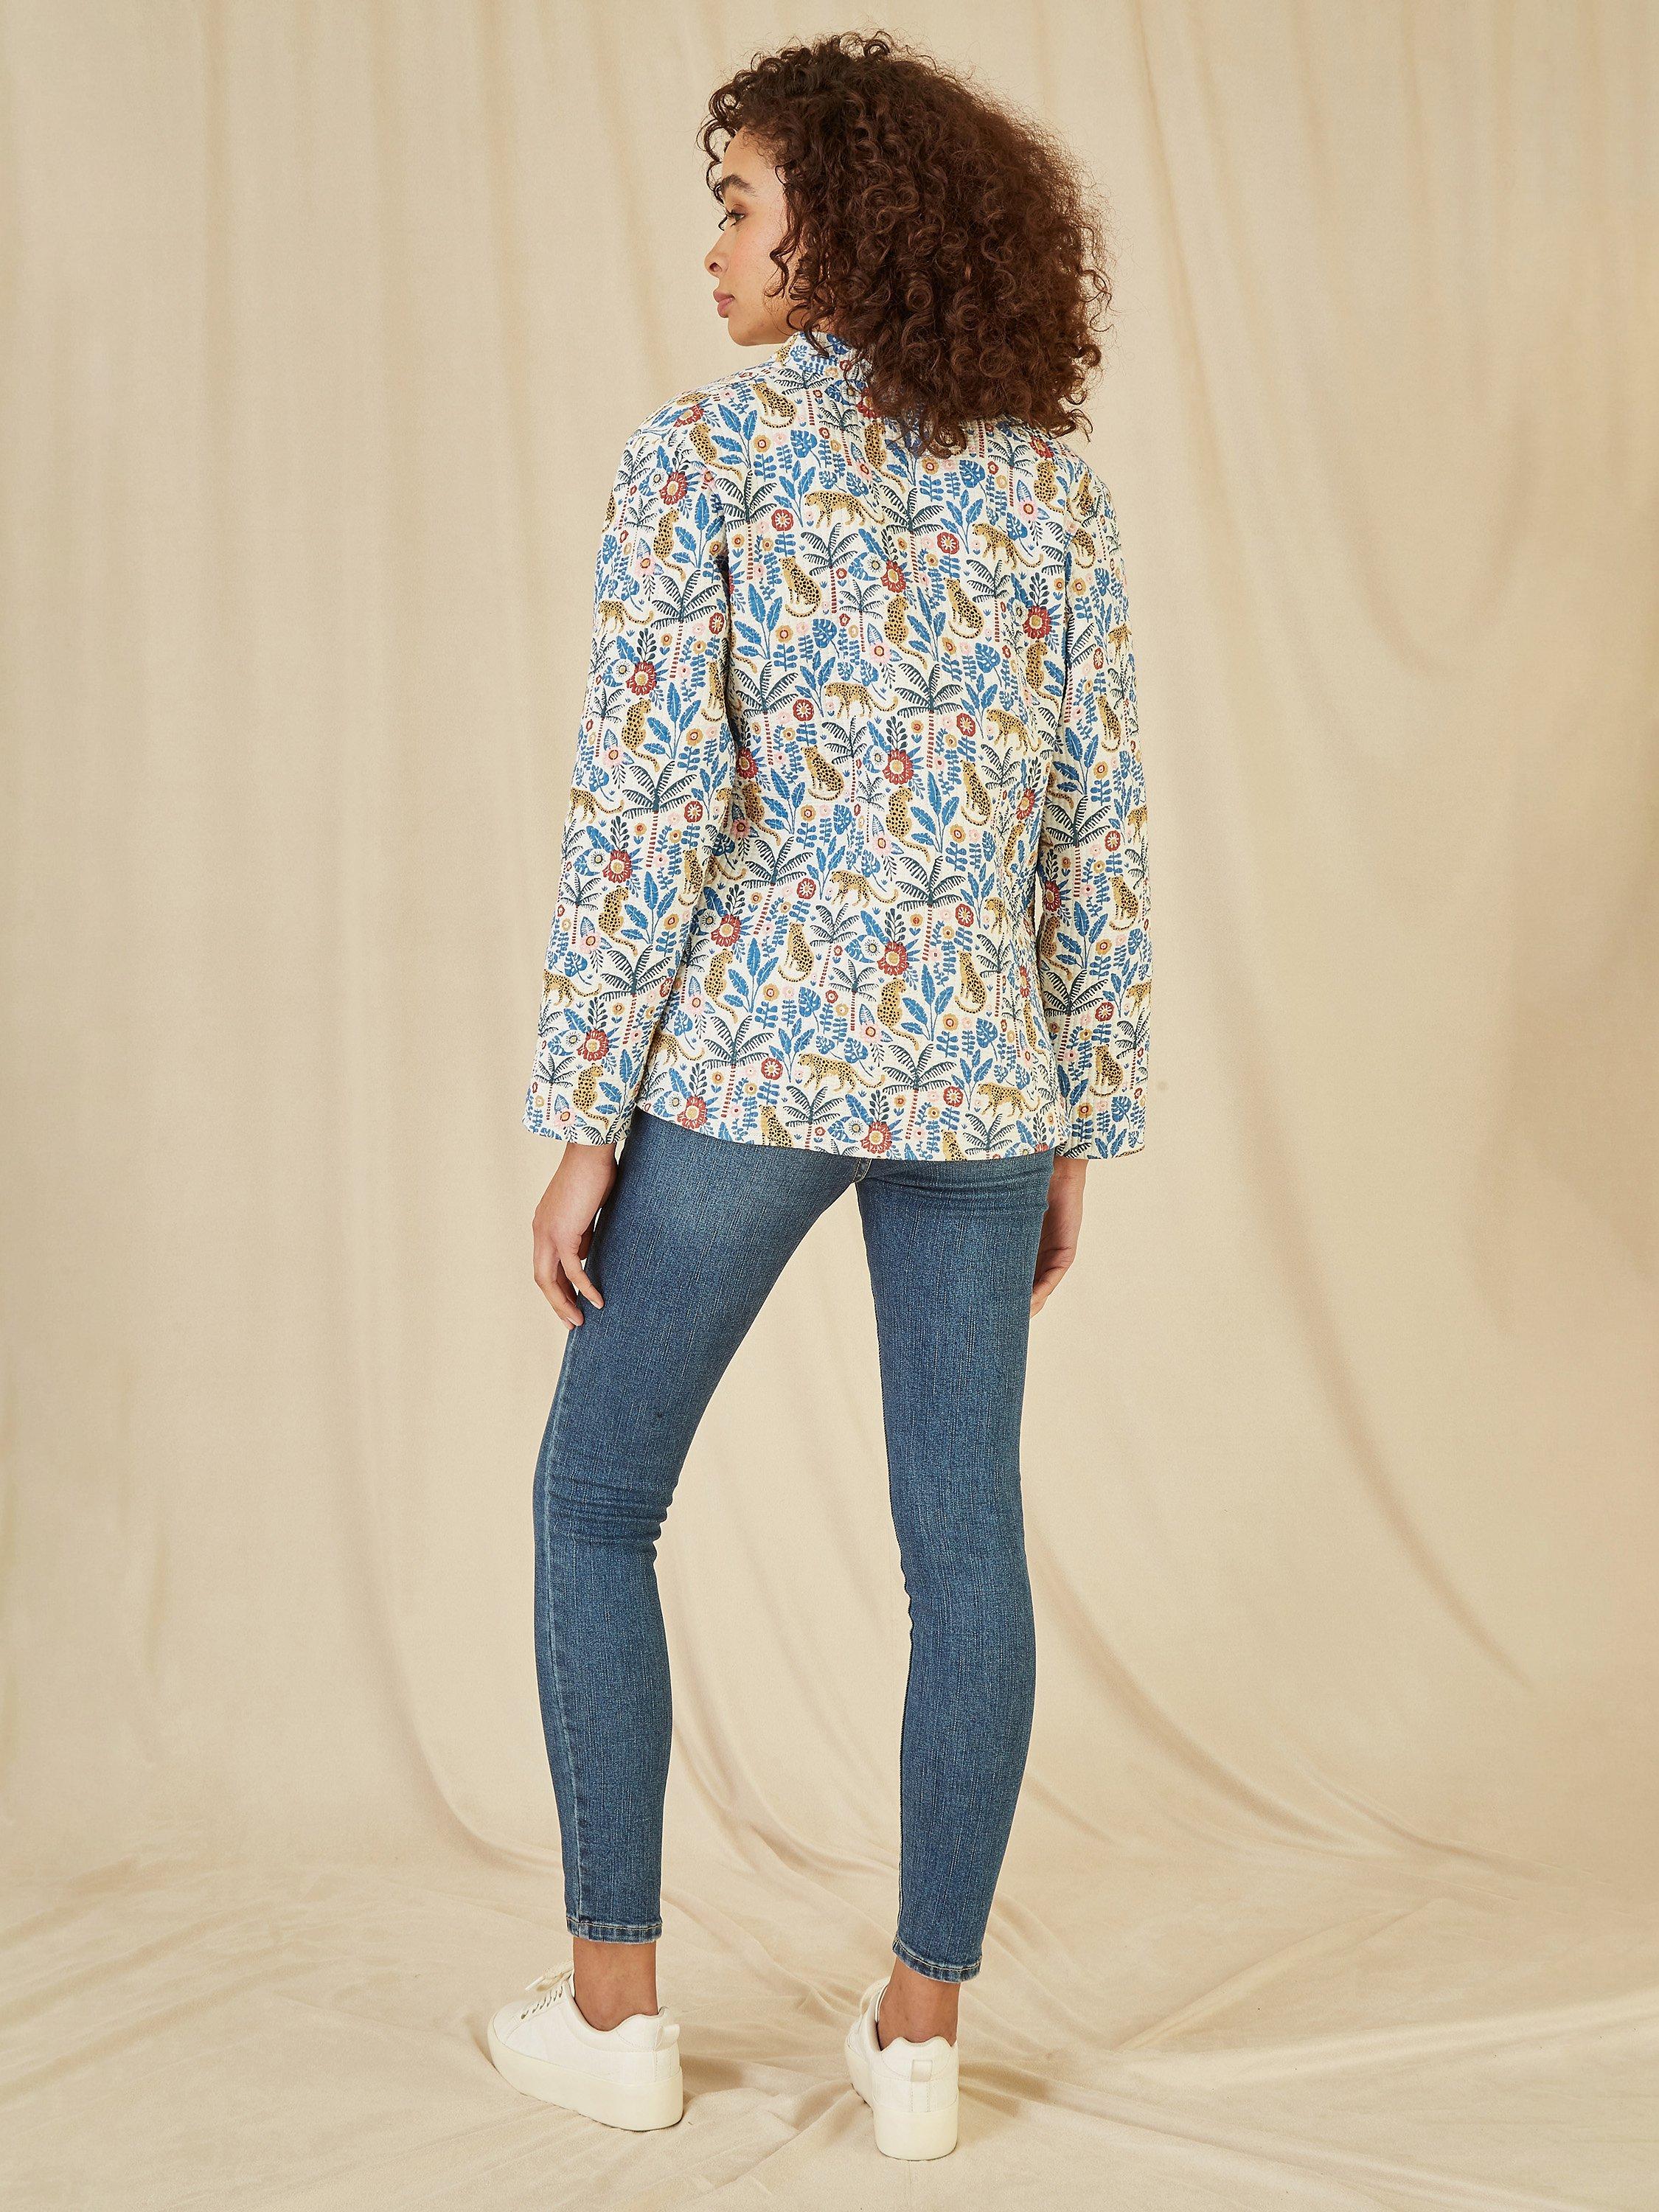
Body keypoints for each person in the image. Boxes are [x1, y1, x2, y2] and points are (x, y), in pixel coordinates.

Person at [487, 27, 1151, 2160]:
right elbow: (1091, 833)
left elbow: (647, 804)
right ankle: (922, 2041)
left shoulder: (703, 457)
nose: (712, 250)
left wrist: (586, 1114)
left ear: (841, 232)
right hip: (981, 1083)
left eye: (739, 207)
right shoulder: (1049, 490)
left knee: (597, 1500)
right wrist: (1074, 1115)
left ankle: (615, 2017)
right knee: (965, 1552)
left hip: (750, 1067)